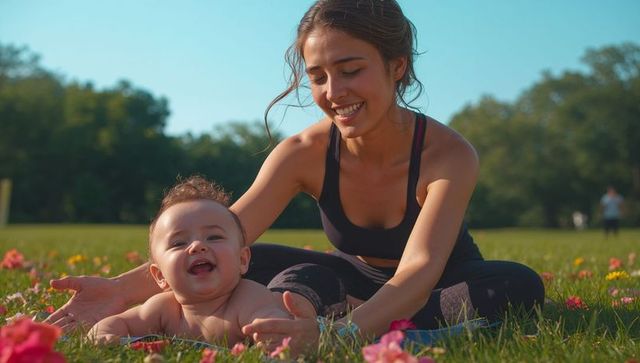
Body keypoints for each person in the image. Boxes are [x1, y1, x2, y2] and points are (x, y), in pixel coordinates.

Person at [46, 0, 544, 354]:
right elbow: (230, 229)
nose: (334, 91)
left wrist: (342, 337)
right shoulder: (304, 152)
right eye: (318, 75)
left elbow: (417, 271)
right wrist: (120, 290)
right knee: (248, 258)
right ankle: (304, 314)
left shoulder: (449, 155)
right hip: (349, 279)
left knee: (517, 285)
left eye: (350, 70)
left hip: (439, 282)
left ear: (396, 67)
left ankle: (337, 321)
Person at [86, 176, 346, 346]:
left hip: (319, 284)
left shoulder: (248, 300)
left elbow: (273, 324)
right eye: (179, 243)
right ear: (159, 276)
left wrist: (275, 337)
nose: (198, 246)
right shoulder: (164, 308)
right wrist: (102, 335)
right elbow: (120, 323)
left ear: (243, 260)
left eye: (213, 237)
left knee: (304, 285)